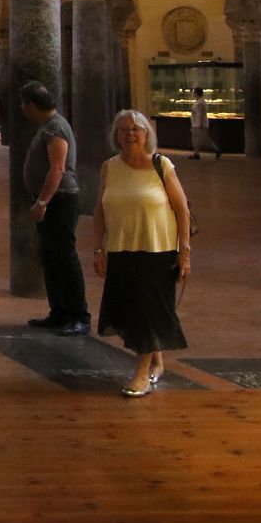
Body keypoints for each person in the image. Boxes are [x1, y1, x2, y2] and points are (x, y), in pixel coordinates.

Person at [93, 109, 191, 397]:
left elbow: (182, 210)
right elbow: (100, 209)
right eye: (124, 129)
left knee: (147, 311)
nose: (130, 134)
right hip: (122, 249)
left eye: (136, 129)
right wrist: (99, 248)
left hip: (157, 250)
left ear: (147, 134)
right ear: (116, 136)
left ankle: (141, 375)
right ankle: (156, 362)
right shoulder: (110, 167)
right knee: (130, 310)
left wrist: (184, 251)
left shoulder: (162, 166)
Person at [20, 81, 90, 336]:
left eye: (23, 105)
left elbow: (58, 168)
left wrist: (43, 201)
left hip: (60, 200)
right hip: (53, 199)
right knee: (50, 257)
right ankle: (59, 312)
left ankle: (79, 315)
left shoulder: (56, 127)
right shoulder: (49, 126)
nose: (22, 110)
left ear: (31, 105)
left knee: (65, 257)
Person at [189, 87, 221, 160]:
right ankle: (196, 153)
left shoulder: (200, 102)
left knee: (204, 139)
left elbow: (200, 114)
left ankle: (216, 150)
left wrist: (200, 124)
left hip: (199, 124)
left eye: (194, 92)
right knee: (195, 139)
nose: (193, 94)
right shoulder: (198, 101)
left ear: (196, 93)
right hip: (195, 124)